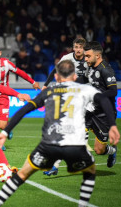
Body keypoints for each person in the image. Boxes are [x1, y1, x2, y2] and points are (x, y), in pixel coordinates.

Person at [0, 60, 120, 207]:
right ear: (75, 77)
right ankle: (83, 204)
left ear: (57, 77)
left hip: (48, 145)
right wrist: (113, 126)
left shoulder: (49, 91)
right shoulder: (86, 90)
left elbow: (25, 109)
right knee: (90, 171)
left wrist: (6, 132)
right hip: (74, 146)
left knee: (22, 174)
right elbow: (104, 100)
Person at [42, 37, 88, 175]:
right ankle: (56, 165)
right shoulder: (67, 58)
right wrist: (46, 85)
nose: (78, 49)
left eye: (80, 47)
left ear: (84, 48)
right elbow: (55, 71)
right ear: (73, 47)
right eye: (76, 47)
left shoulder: (88, 59)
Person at [0, 44, 40, 150]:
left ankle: (8, 128)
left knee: (2, 126)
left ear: (0, 53)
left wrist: (33, 82)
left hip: (3, 97)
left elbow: (20, 72)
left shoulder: (6, 64)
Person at [79, 41, 119, 168]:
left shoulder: (106, 69)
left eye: (88, 56)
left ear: (98, 55)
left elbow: (113, 91)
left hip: (105, 114)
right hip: (91, 109)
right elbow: (86, 79)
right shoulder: (90, 66)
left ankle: (112, 152)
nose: (85, 59)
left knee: (99, 150)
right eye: (85, 56)